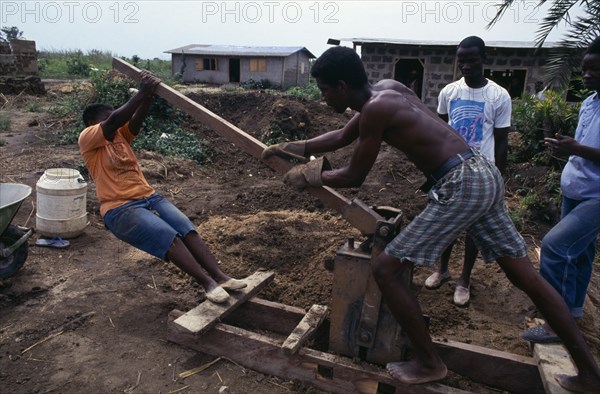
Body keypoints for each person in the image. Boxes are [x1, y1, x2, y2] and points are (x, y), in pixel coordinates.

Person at [261, 46, 600, 391]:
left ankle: (429, 361)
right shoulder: (387, 90)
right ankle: (590, 374)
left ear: (343, 86)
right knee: (526, 276)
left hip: (462, 184)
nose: (322, 97)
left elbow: (354, 175)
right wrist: (300, 148)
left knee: (386, 268)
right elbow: (343, 136)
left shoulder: (376, 109)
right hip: (483, 174)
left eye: (324, 90)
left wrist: (309, 176)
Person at [78, 70, 246, 304]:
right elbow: (116, 119)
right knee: (167, 235)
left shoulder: (121, 136)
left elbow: (134, 120)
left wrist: (149, 95)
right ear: (91, 123)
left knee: (185, 228)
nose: (113, 121)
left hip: (149, 197)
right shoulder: (88, 138)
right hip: (119, 208)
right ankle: (207, 284)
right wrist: (142, 91)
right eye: (106, 118)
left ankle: (220, 277)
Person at [521, 37, 600, 344]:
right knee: (580, 255)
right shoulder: (590, 103)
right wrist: (568, 148)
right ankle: (573, 312)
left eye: (595, 69)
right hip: (576, 188)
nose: (587, 75)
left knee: (555, 247)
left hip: (595, 195)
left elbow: (585, 148)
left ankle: (557, 324)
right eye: (585, 69)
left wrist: (576, 147)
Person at [426, 36, 511, 306]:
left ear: (484, 59)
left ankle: (464, 280)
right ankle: (442, 269)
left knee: (474, 230)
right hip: (451, 171)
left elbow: (502, 140)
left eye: (472, 59)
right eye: (461, 59)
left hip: (481, 173)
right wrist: (433, 170)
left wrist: (499, 178)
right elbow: (438, 133)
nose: (465, 65)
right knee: (448, 224)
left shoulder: (499, 96)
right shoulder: (449, 92)